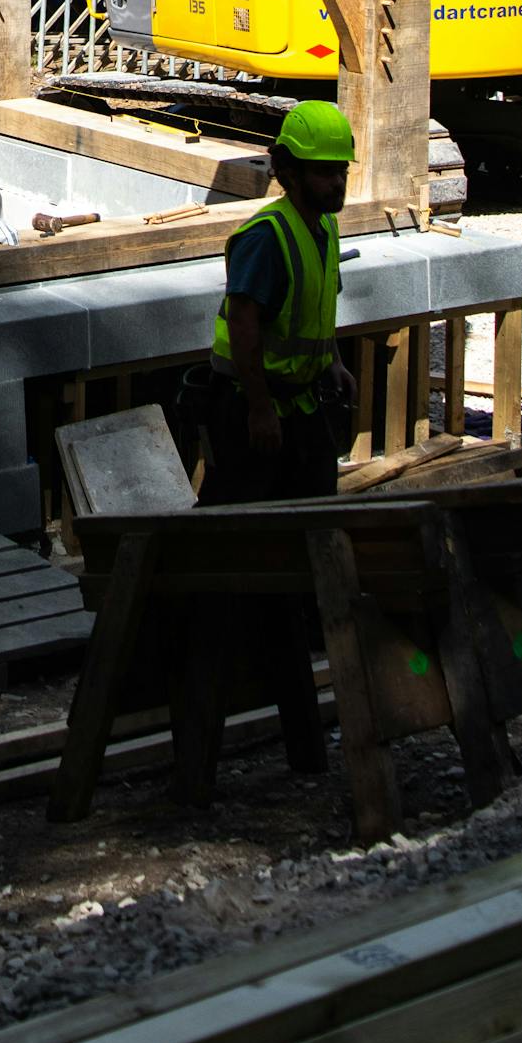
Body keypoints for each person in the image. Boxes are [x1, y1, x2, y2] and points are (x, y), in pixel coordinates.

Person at [190, 98, 358, 769]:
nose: (335, 183)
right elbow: (248, 320)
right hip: (253, 411)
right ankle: (222, 658)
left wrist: (334, 361)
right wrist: (259, 407)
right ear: (286, 170)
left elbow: (316, 306)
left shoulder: (321, 230)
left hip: (302, 403)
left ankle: (296, 653)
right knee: (240, 542)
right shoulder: (270, 235)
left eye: (340, 171)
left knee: (310, 536)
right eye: (321, 173)